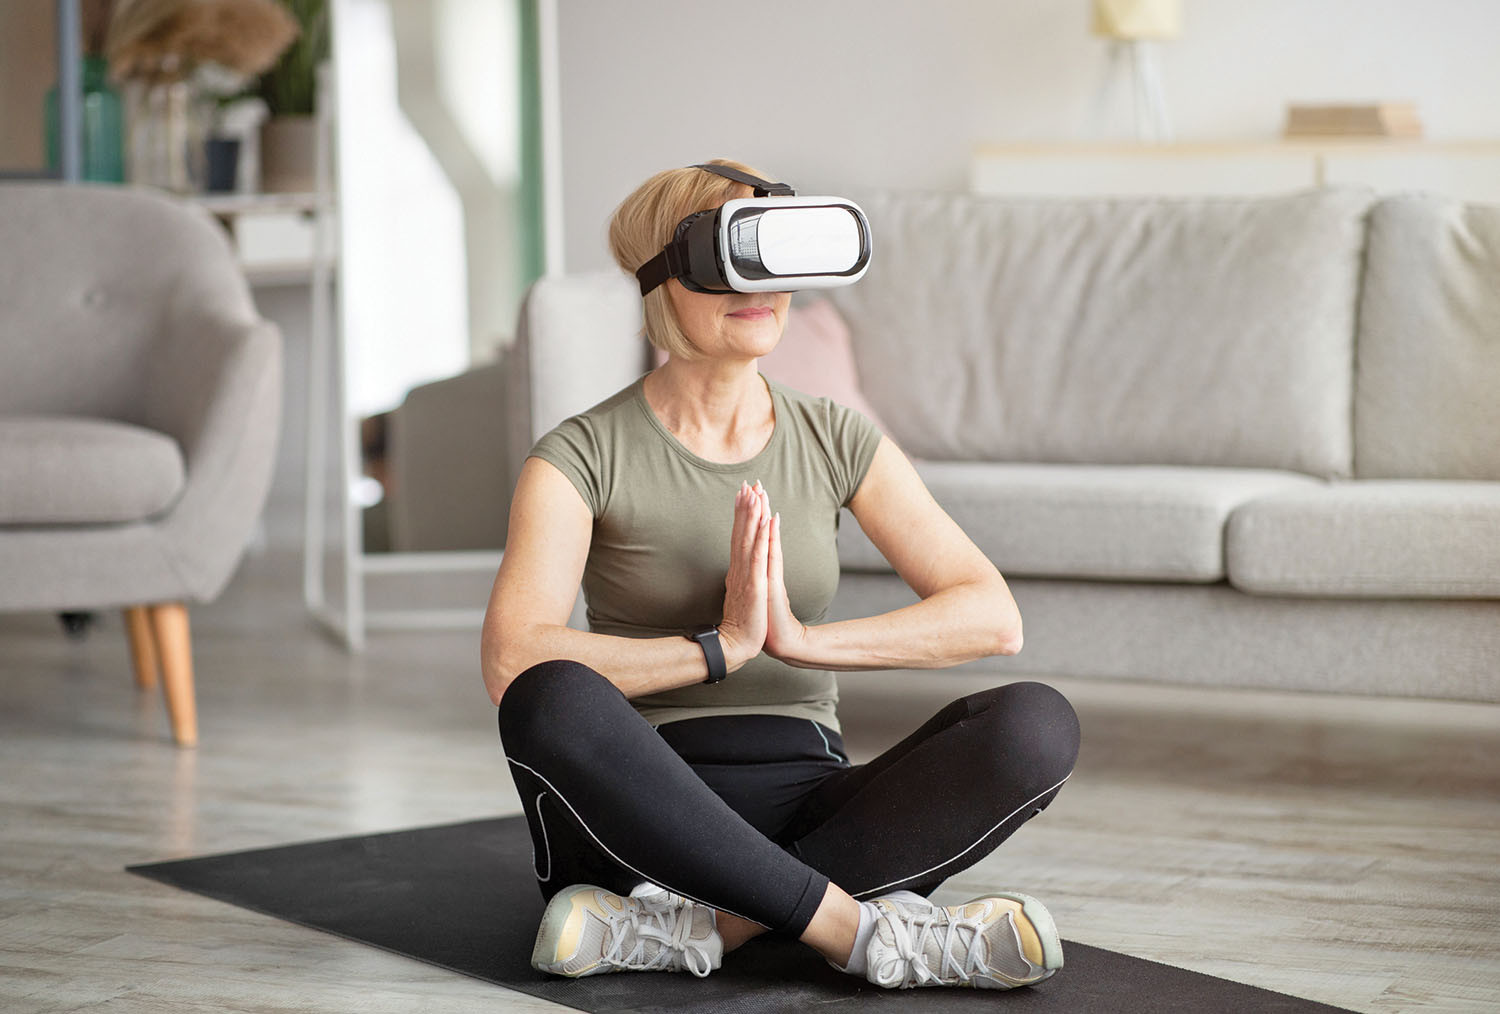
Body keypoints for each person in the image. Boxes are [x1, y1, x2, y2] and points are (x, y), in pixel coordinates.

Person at [481, 159, 1081, 991]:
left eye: (774, 257)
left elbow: (991, 617)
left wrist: (801, 641)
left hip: (811, 798)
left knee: (1037, 725)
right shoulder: (578, 456)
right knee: (550, 695)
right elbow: (512, 660)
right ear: (665, 281)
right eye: (730, 261)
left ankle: (702, 930)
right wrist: (719, 649)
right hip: (642, 815)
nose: (760, 287)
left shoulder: (834, 436)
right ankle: (864, 933)